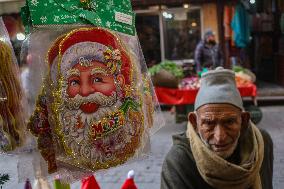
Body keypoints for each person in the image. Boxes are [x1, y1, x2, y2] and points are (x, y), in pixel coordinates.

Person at [161, 67, 273, 189]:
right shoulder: (179, 159)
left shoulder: (259, 143)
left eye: (229, 122)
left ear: (244, 121)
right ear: (195, 122)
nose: (220, 137)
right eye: (209, 123)